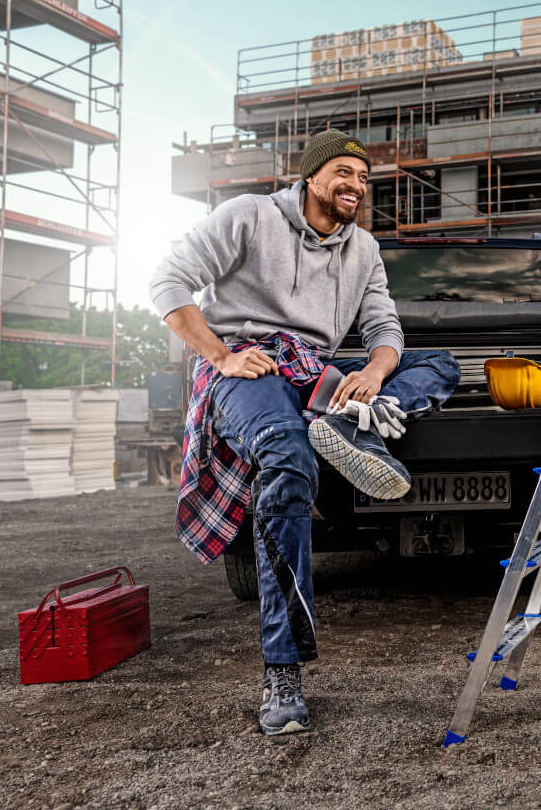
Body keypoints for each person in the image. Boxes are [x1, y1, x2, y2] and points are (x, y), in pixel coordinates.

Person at [150, 129, 461, 736]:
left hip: (318, 372)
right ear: (312, 176)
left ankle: (355, 424)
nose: (355, 186)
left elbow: (383, 326)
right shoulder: (249, 216)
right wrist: (220, 358)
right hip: (253, 366)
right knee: (288, 461)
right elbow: (167, 283)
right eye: (344, 172)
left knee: (438, 363)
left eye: (364, 177)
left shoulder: (363, 248)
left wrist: (373, 372)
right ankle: (283, 669)